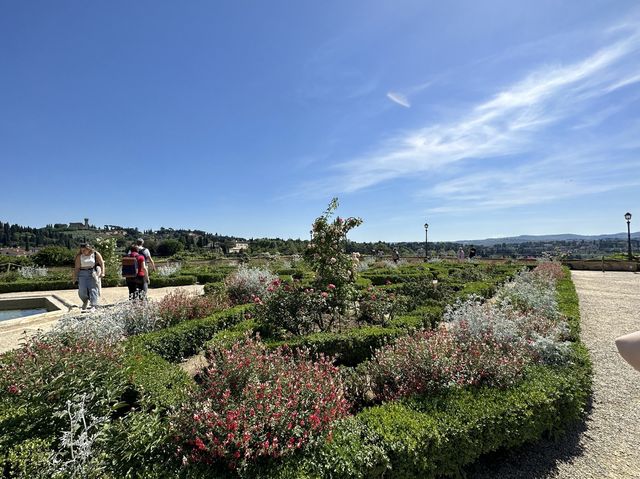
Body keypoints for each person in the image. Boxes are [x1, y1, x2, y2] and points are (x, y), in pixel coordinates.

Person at [73, 243, 105, 311]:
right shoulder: (79, 256)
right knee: (82, 291)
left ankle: (94, 305)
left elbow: (102, 263)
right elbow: (76, 268)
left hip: (92, 273)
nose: (83, 251)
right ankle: (85, 301)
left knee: (93, 289)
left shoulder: (95, 254)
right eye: (81, 250)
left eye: (84, 250)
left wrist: (102, 272)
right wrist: (75, 277)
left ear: (89, 249)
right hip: (82, 274)